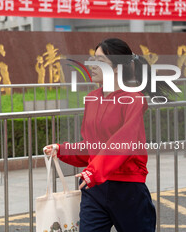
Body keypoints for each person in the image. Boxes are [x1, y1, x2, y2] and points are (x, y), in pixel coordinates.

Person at [43, 38, 173, 232]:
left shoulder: (134, 99)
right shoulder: (93, 99)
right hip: (94, 188)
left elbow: (124, 141)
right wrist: (62, 149)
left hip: (127, 188)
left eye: (100, 61)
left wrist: (94, 171)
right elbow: (93, 145)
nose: (92, 65)